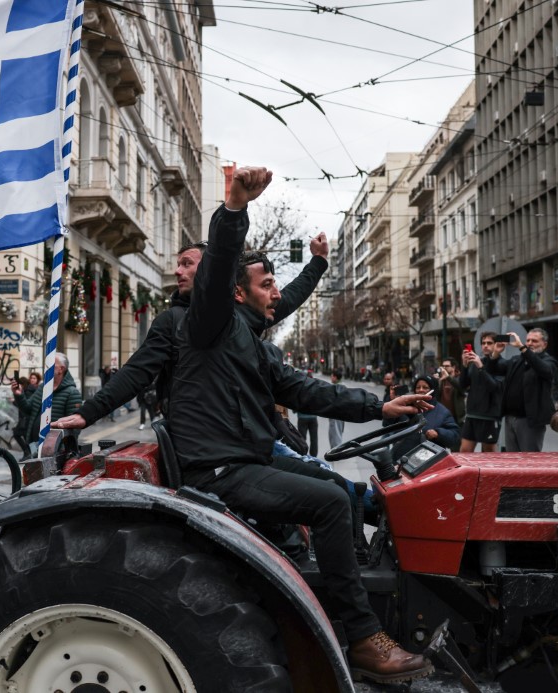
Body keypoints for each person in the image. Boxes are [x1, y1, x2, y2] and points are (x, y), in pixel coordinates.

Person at [166, 165, 434, 684]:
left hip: (246, 458)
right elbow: (220, 268)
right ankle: (361, 636)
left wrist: (379, 408)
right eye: (267, 286)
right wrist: (235, 210)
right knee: (331, 502)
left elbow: (306, 390)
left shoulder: (252, 339)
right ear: (238, 294)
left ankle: (348, 590)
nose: (277, 295)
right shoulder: (213, 325)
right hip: (219, 470)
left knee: (339, 485)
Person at [52, 227, 332, 431]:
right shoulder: (171, 321)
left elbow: (287, 299)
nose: (178, 272)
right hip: (202, 443)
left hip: (245, 434)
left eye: (187, 264)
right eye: (178, 264)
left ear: (212, 269)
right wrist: (88, 413)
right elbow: (137, 371)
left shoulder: (240, 314)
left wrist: (318, 263)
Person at [485, 329, 557, 452]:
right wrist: (496, 353)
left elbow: (543, 369)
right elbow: (494, 370)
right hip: (510, 418)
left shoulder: (548, 361)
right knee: (512, 462)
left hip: (530, 421)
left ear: (544, 344)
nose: (529, 343)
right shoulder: (517, 360)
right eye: (527, 340)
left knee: (529, 461)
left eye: (534, 341)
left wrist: (523, 348)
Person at [384, 375, 460, 459]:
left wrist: (438, 433)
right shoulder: (405, 407)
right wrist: (391, 401)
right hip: (401, 461)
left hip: (428, 463)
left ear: (432, 390)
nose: (421, 390)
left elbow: (454, 436)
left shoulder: (443, 412)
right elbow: (387, 424)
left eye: (425, 387)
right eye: (418, 387)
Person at [13, 353, 81, 442]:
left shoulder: (72, 393)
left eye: (50, 365)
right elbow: (28, 409)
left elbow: (74, 427)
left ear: (61, 369)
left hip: (54, 448)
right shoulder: (43, 387)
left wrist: (61, 448)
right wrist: (19, 395)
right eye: (46, 365)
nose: (46, 368)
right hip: (35, 443)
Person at [458, 334, 504, 452]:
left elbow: (494, 387)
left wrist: (480, 367)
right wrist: (464, 365)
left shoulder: (502, 364)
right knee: (465, 451)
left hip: (489, 416)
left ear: (496, 345)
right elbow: (462, 385)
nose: (485, 346)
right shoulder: (476, 362)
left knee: (488, 454)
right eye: (483, 343)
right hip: (472, 414)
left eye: (489, 343)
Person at [12, 373, 39, 459]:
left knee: (24, 437)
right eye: (31, 378)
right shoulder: (31, 390)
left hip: (26, 419)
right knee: (27, 437)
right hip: (26, 419)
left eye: (34, 378)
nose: (32, 380)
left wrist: (16, 400)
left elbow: (27, 405)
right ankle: (30, 454)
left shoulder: (29, 391)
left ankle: (29, 453)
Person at [436, 357, 465, 429]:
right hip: (443, 417)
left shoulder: (460, 378)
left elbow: (461, 388)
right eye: (443, 366)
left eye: (447, 366)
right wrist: (436, 382)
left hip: (457, 418)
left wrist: (448, 377)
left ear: (453, 367)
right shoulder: (441, 380)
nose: (444, 368)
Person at [328, 370, 345, 448]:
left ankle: (335, 452)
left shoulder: (336, 387)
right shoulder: (342, 386)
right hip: (340, 414)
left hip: (335, 415)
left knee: (335, 435)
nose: (331, 378)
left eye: (332, 376)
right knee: (337, 433)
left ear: (335, 377)